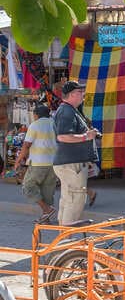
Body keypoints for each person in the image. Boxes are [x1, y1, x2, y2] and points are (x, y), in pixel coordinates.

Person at [52, 81, 100, 226]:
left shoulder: (70, 110)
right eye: (80, 93)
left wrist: (88, 134)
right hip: (71, 164)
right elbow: (63, 136)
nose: (83, 95)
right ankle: (67, 241)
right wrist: (87, 136)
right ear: (72, 94)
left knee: (68, 199)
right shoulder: (67, 111)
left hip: (70, 163)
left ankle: (63, 239)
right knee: (75, 201)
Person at [15, 104, 58, 223]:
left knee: (28, 187)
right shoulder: (54, 123)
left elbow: (26, 145)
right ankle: (46, 218)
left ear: (36, 115)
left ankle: (47, 209)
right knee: (47, 190)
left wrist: (18, 160)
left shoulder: (35, 125)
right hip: (54, 162)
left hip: (39, 162)